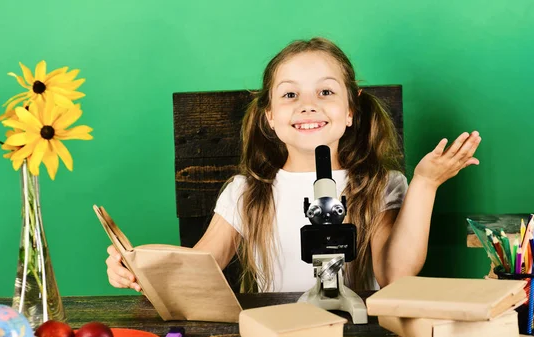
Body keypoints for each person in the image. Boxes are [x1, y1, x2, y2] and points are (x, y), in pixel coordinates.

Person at [106, 37, 481, 293]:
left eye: (326, 91)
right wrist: (138, 263)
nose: (308, 104)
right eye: (290, 94)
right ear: (269, 116)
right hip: (277, 335)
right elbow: (201, 262)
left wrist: (425, 184)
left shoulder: (381, 184)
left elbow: (395, 274)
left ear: (350, 110)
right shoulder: (246, 192)